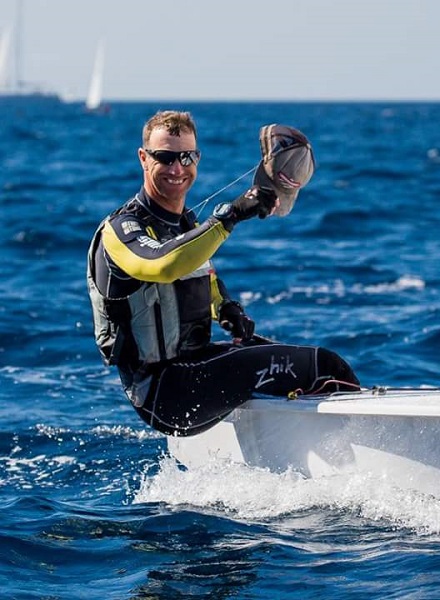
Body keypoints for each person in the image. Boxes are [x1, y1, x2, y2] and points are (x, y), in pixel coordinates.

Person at [87, 110, 359, 437]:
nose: (177, 169)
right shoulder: (120, 230)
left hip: (196, 368)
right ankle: (362, 448)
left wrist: (226, 308)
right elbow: (163, 264)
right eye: (165, 158)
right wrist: (230, 217)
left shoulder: (185, 224)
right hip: (166, 393)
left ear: (197, 159)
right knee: (326, 367)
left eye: (186, 157)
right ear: (144, 158)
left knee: (293, 361)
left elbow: (204, 277)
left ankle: (311, 450)